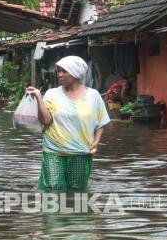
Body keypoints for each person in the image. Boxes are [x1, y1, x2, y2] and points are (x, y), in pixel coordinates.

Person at [26, 56, 110, 191]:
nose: (60, 75)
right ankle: (53, 213)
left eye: (65, 71)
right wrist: (38, 98)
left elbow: (101, 121)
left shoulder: (93, 96)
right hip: (54, 150)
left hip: (81, 151)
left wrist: (96, 141)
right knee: (54, 188)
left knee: (77, 190)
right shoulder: (52, 94)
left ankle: (74, 212)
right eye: (58, 71)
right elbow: (46, 120)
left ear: (76, 73)